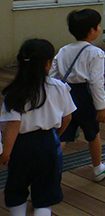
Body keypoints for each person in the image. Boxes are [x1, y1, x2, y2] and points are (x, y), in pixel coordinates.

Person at [2, 39, 76, 216]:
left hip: (21, 146)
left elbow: (13, 126)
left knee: (16, 188)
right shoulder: (59, 87)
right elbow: (68, 117)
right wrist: (56, 135)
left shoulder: (15, 91)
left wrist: (6, 153)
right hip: (48, 143)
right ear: (48, 63)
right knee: (45, 193)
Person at [50, 8, 105, 181]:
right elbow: (96, 82)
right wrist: (102, 107)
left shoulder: (63, 50)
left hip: (65, 95)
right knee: (93, 134)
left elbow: (52, 76)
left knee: (62, 134)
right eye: (98, 26)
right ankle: (97, 168)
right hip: (85, 97)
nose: (99, 28)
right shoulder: (96, 53)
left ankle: (48, 170)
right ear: (92, 31)